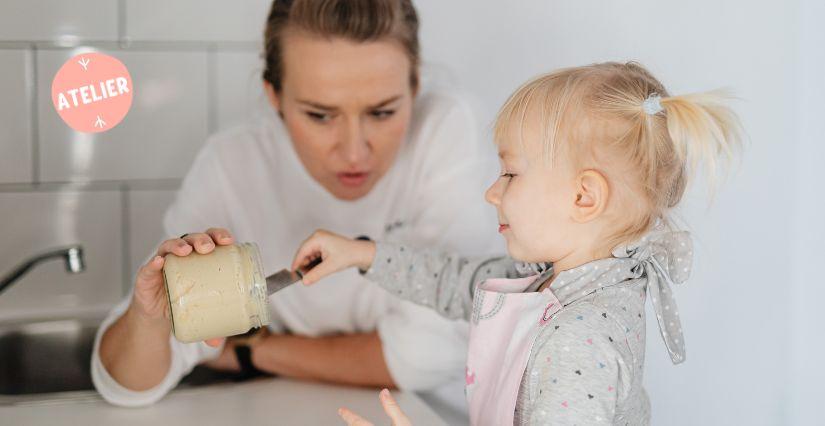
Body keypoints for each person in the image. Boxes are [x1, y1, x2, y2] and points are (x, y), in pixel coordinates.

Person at [91, 0, 499, 419]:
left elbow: (431, 354)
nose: (355, 151)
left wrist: (250, 350)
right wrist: (149, 318)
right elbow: (127, 388)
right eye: (320, 116)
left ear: (415, 88)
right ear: (275, 97)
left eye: (382, 112)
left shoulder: (445, 130)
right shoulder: (232, 166)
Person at [292, 62, 742, 425]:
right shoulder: (548, 281)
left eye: (510, 173)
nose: (492, 192)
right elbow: (455, 281)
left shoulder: (579, 336)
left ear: (583, 197)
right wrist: (362, 253)